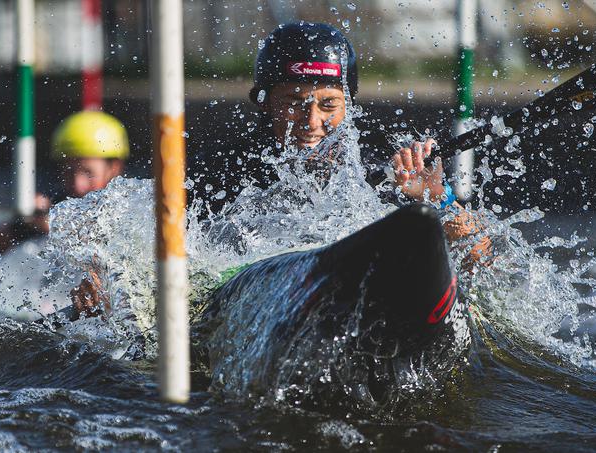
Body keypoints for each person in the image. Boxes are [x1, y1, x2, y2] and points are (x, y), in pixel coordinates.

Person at [73, 22, 490, 318]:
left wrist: (437, 200)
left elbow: (478, 254)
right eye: (293, 101)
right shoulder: (227, 166)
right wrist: (97, 271)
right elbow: (127, 222)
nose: (310, 121)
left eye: (328, 105)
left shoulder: (383, 161)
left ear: (348, 106)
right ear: (265, 101)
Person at [0, 110, 129, 261]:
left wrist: (55, 231)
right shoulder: (52, 206)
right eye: (68, 172)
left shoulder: (130, 210)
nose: (77, 184)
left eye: (88, 173)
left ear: (114, 167)